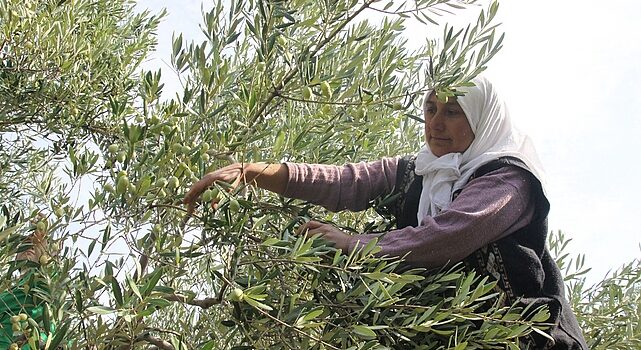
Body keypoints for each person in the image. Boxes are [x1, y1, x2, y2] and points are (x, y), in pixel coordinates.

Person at [184, 76, 588, 349]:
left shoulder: (508, 179)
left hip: (531, 338)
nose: (436, 123)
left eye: (452, 112)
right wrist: (251, 172)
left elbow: (448, 235)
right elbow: (346, 181)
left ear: (482, 118)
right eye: (430, 109)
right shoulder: (419, 171)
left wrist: (353, 244)